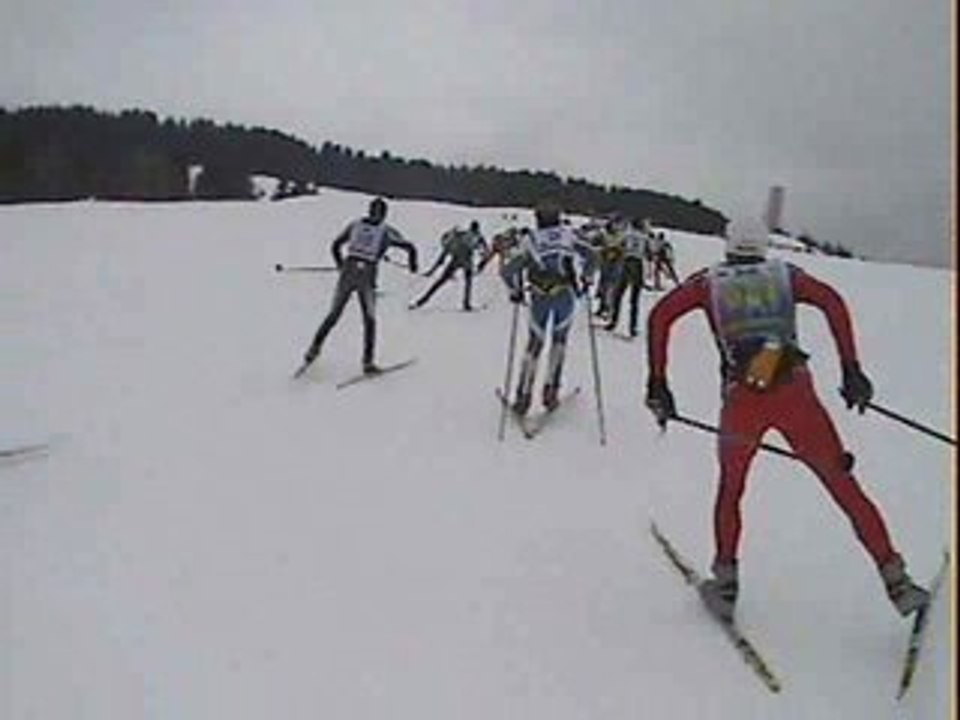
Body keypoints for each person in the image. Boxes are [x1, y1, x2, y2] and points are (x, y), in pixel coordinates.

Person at [643, 216, 929, 622]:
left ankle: (725, 582)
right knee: (843, 485)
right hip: (796, 394)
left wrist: (658, 382)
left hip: (742, 400)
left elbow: (660, 317)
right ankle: (897, 580)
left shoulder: (709, 282)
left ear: (728, 246)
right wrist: (851, 368)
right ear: (762, 246)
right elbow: (832, 301)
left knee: (731, 490)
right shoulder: (785, 275)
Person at [300, 197, 419, 374]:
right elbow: (409, 246)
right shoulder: (385, 230)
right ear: (384, 214)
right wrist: (413, 264)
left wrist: (340, 266)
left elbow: (335, 245)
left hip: (349, 270)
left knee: (334, 314)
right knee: (369, 319)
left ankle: (312, 351)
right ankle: (367, 363)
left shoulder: (355, 225)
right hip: (367, 273)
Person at [501, 200, 593, 414]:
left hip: (539, 298)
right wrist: (587, 279)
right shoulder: (569, 235)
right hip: (565, 297)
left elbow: (507, 271)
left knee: (534, 345)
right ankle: (550, 393)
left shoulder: (530, 240)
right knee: (559, 343)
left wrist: (515, 291)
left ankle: (523, 397)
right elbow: (593, 256)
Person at [410, 220, 487, 311]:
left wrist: (431, 271)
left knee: (441, 281)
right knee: (467, 281)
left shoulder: (454, 239)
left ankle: (422, 300)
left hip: (457, 259)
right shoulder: (472, 236)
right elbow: (483, 249)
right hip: (465, 259)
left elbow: (441, 260)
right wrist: (481, 261)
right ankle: (466, 304)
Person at [604, 216, 647, 336]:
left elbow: (618, 247)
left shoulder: (627, 235)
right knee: (634, 299)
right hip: (638, 265)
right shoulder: (645, 237)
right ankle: (633, 327)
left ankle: (613, 322)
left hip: (627, 263)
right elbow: (649, 253)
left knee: (618, 295)